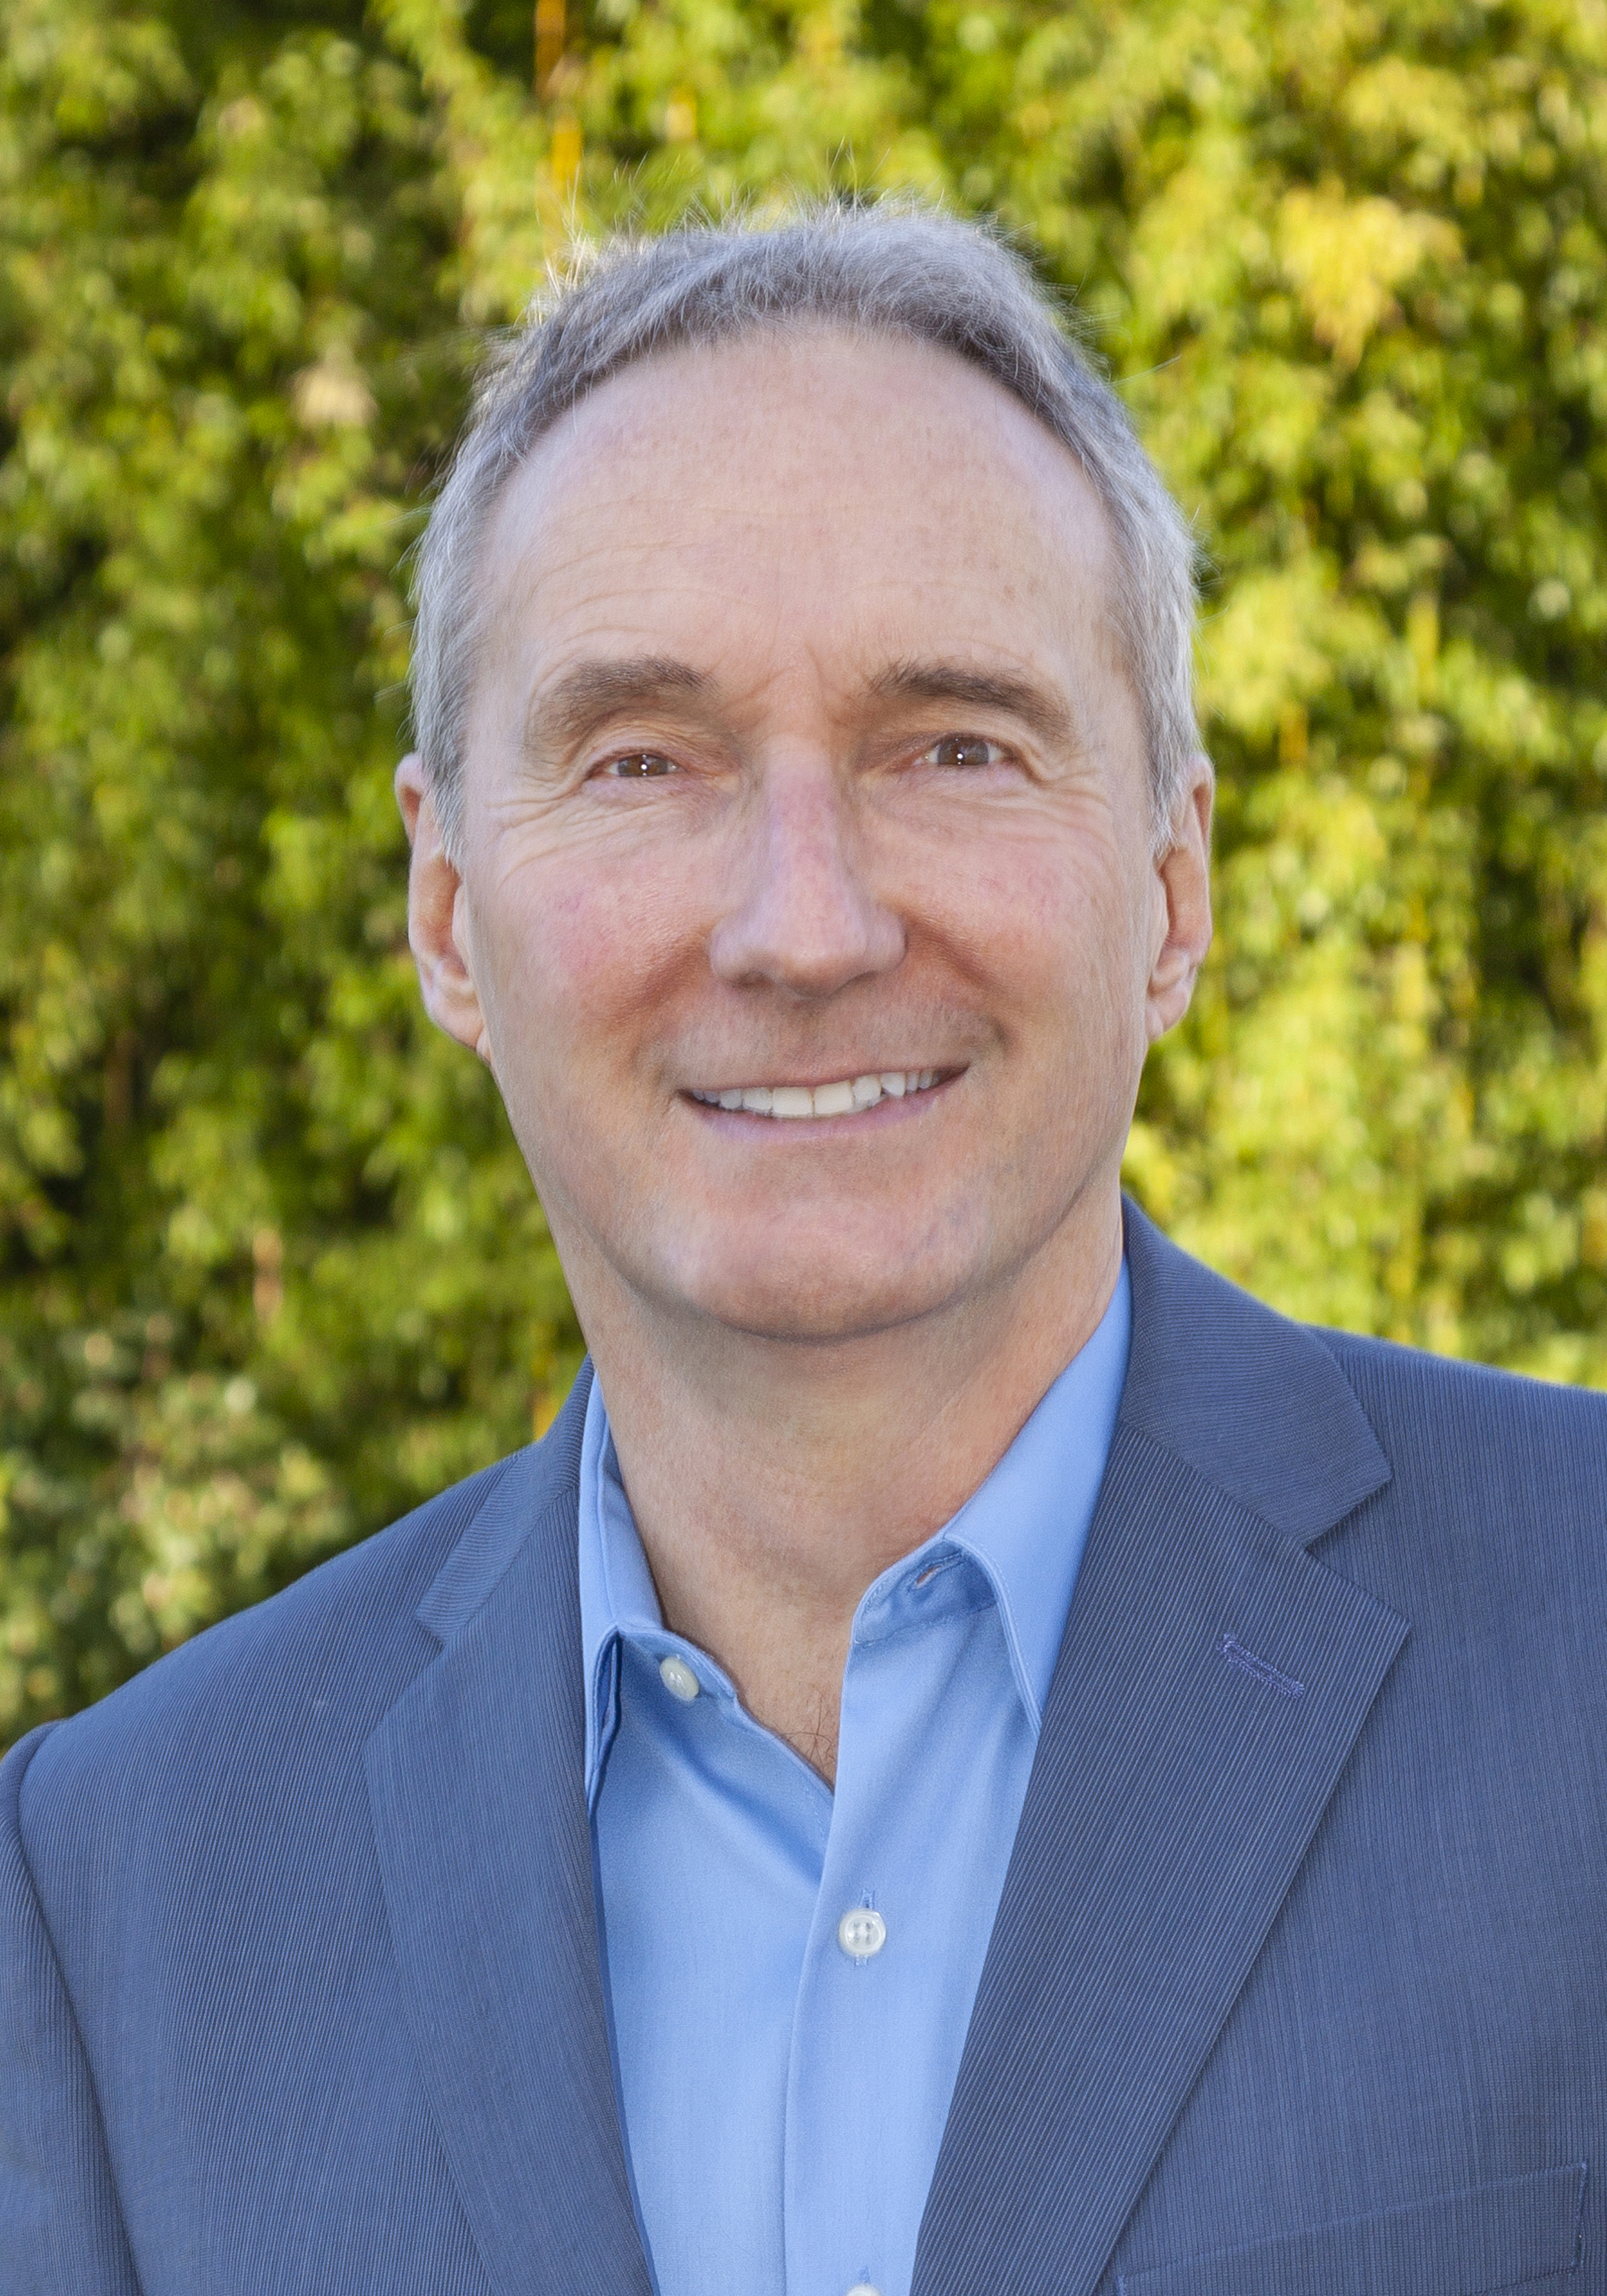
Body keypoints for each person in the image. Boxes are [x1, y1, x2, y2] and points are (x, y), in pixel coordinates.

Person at [3, 204, 1604, 2296]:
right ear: (447, 917)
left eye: (954, 746)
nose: (806, 925)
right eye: (641, 761)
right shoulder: (122, 1895)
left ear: (1173, 889)